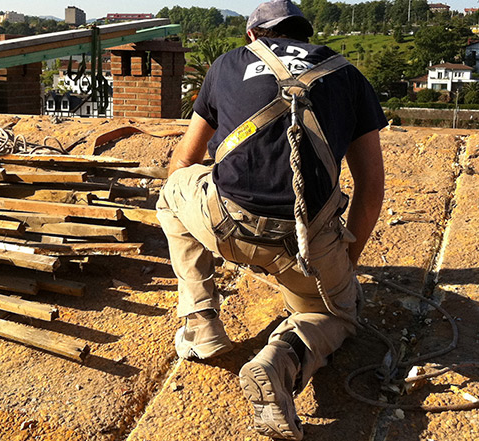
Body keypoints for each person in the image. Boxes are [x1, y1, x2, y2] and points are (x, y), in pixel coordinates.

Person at [155, 0, 386, 439]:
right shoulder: (349, 76)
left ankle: (200, 322)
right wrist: (345, 265)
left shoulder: (226, 65)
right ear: (305, 34)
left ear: (253, 36)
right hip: (306, 245)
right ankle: (280, 361)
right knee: (338, 316)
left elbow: (184, 161)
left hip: (225, 223)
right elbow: (371, 189)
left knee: (172, 193)